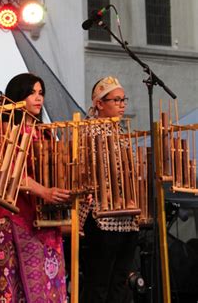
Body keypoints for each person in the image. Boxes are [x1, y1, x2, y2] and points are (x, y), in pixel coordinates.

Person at [0, 73, 70, 302]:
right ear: (17, 96)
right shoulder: (6, 129)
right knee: (14, 287)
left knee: (49, 286)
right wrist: (44, 192)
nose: (38, 98)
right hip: (15, 215)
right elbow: (10, 172)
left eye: (41, 93)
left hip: (45, 219)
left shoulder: (45, 132)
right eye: (31, 93)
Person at [79, 76, 139, 303]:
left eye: (124, 100)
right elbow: (93, 171)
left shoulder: (120, 131)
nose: (122, 104)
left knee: (120, 282)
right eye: (116, 100)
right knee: (99, 282)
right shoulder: (88, 131)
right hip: (101, 214)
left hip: (125, 215)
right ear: (99, 103)